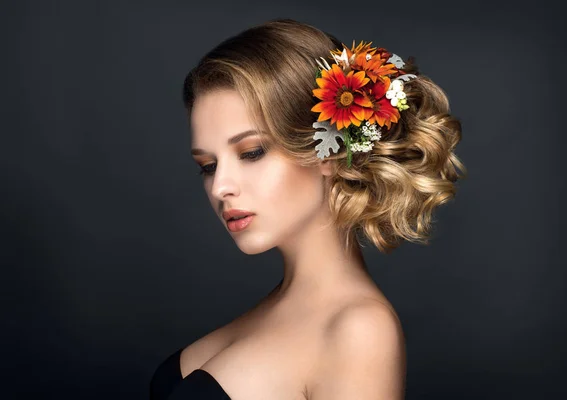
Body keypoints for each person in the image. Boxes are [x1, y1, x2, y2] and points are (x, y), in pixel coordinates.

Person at [149, 18, 465, 400]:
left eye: (251, 153)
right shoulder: (283, 304)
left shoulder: (358, 329)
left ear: (328, 152)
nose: (220, 187)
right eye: (208, 166)